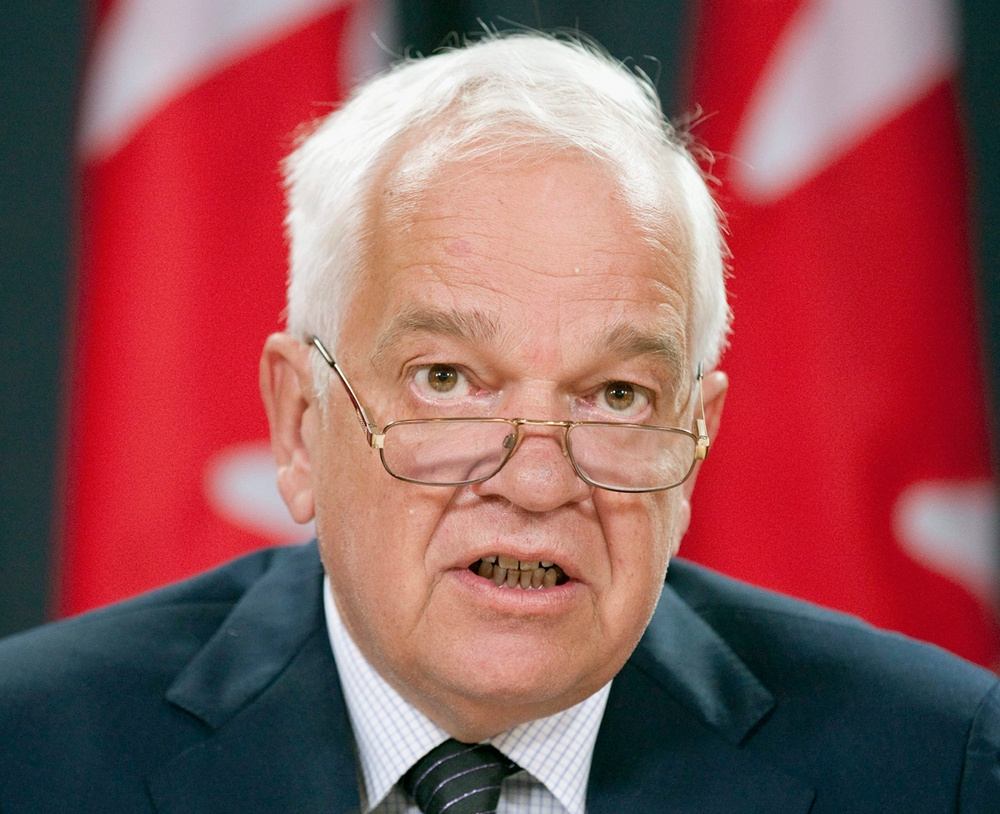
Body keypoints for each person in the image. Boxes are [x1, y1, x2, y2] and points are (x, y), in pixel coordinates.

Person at [1, 33, 998, 814]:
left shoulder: (932, 767)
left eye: (615, 396)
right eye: (448, 380)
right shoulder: (31, 754)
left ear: (694, 444)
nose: (536, 482)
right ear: (300, 425)